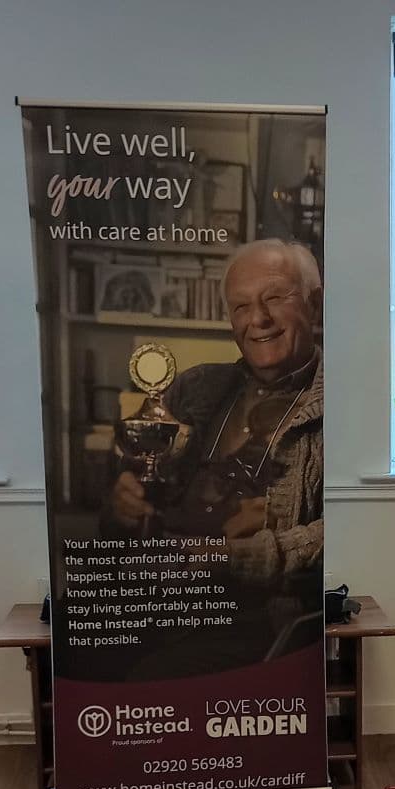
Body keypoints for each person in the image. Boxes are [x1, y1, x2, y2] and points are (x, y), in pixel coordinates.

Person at [106, 237, 324, 673]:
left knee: (148, 675)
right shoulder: (194, 388)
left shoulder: (343, 403)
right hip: (159, 599)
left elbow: (352, 534)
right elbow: (135, 498)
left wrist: (234, 557)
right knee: (67, 642)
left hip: (261, 622)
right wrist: (121, 503)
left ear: (315, 305)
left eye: (275, 298)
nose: (258, 319)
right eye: (241, 307)